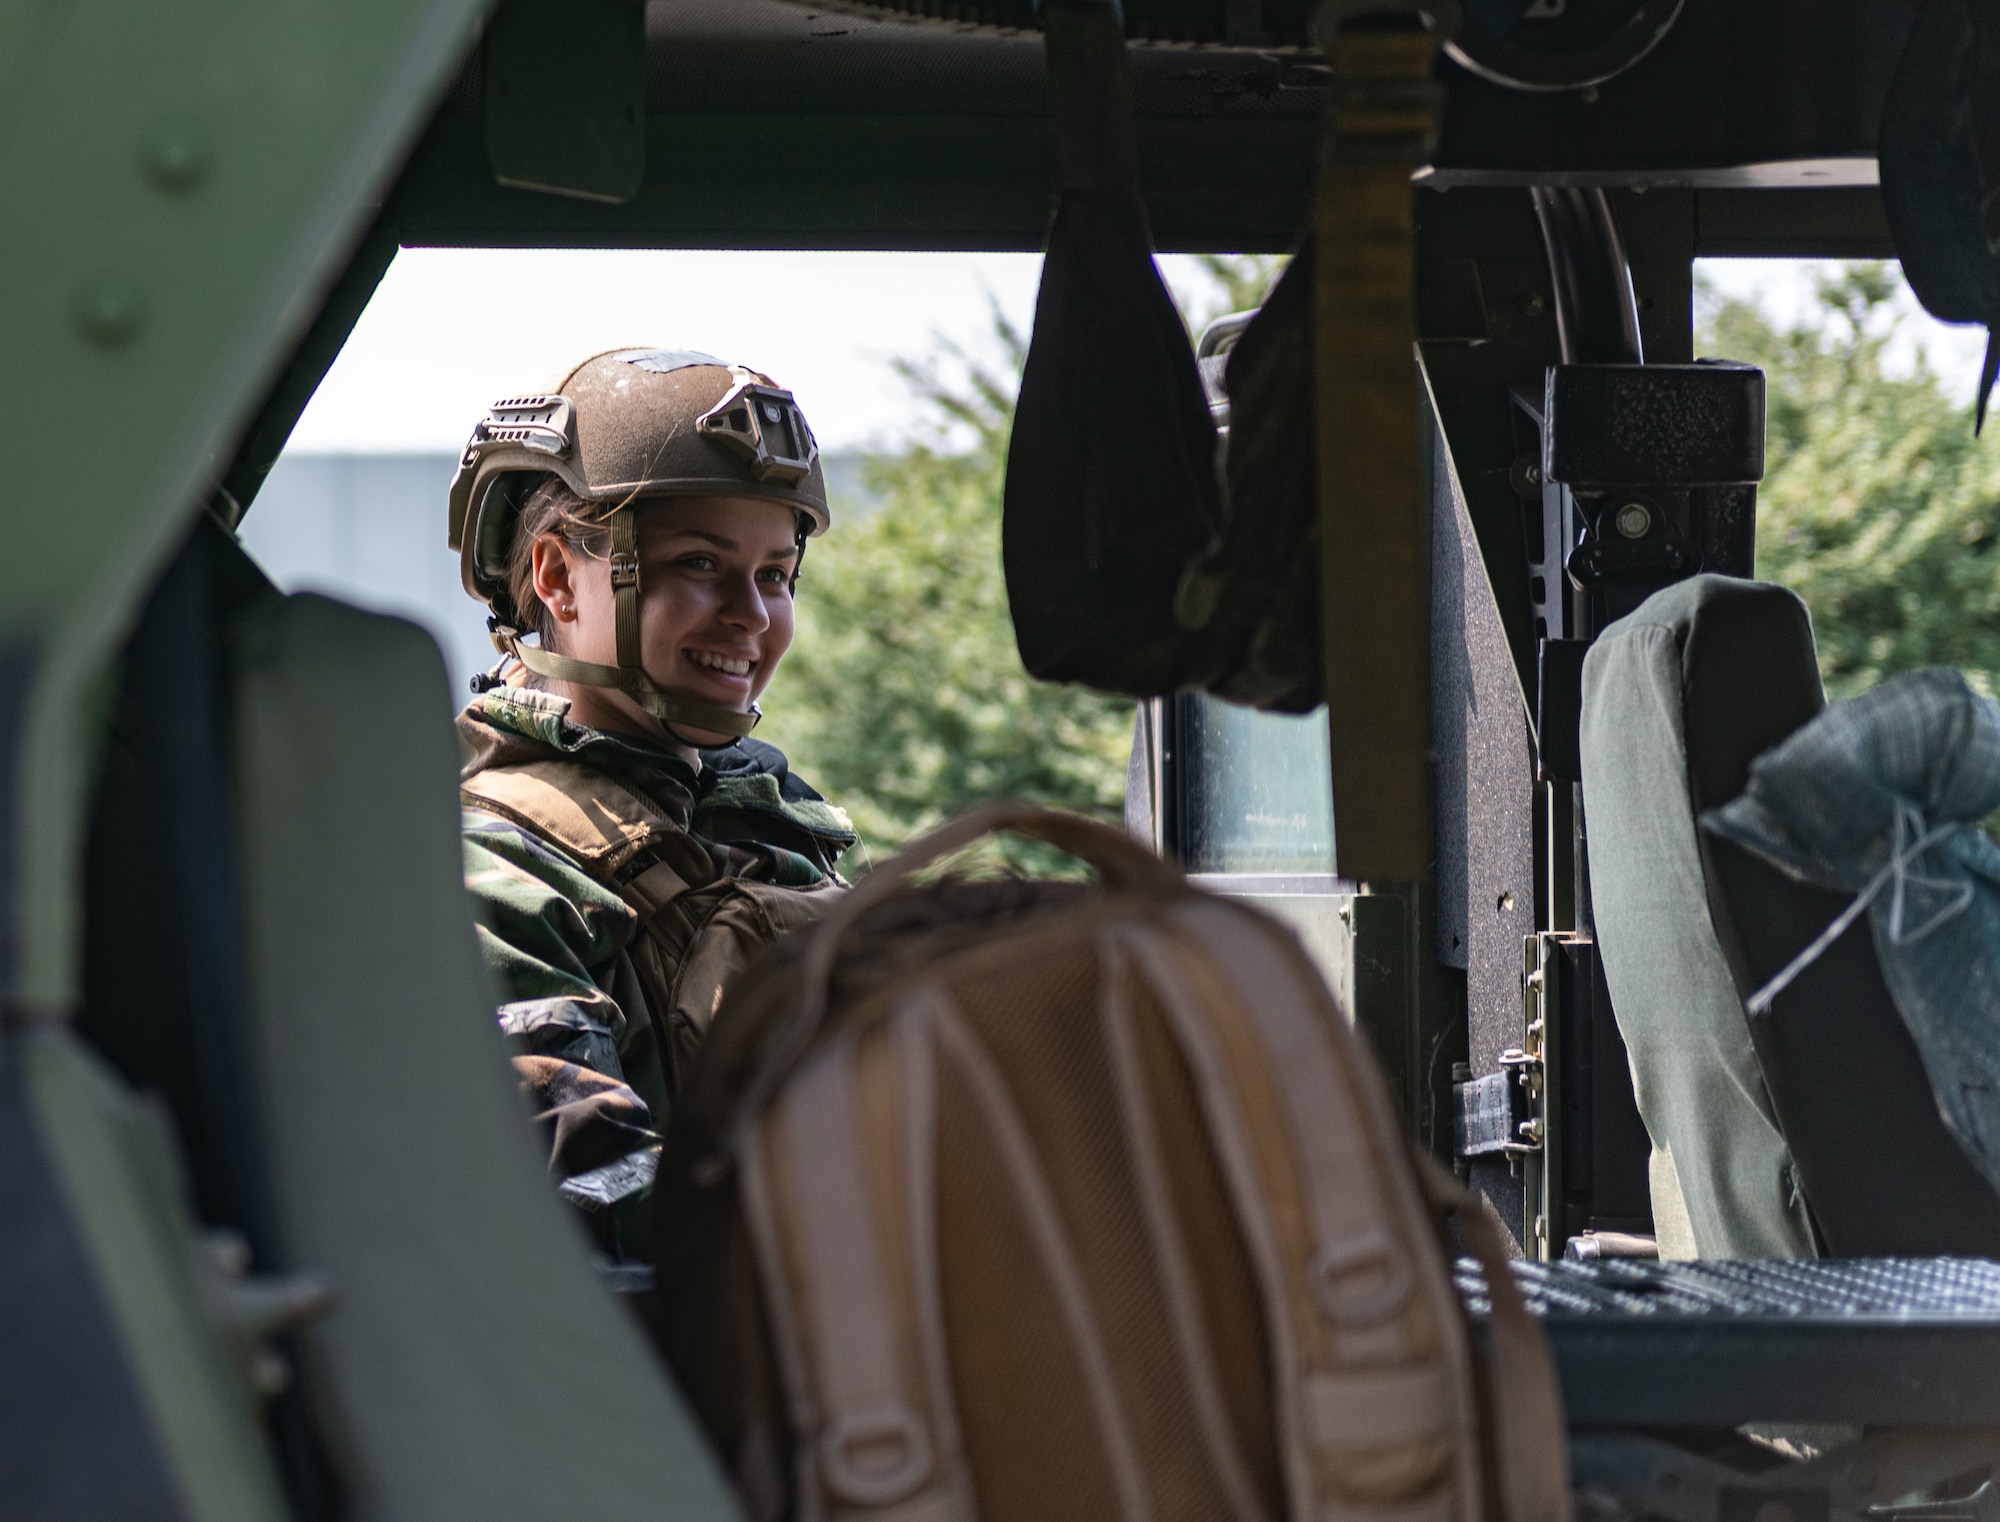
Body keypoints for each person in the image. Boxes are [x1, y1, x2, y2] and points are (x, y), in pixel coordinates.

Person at [447, 348, 854, 1235]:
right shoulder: (488, 870)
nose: (751, 614)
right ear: (557, 577)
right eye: (700, 564)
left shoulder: (775, 822)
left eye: (776, 575)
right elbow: (593, 1192)